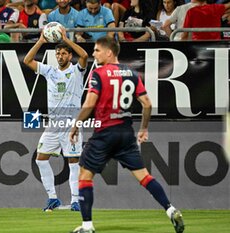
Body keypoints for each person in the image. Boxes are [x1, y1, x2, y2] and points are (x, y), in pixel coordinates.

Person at [69, 36, 185, 233]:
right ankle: (170, 209)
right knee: (144, 177)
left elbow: (89, 104)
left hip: (105, 132)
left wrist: (76, 125)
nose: (93, 54)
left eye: (97, 50)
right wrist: (144, 128)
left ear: (109, 53)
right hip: (126, 133)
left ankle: (87, 226)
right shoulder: (131, 73)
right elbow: (147, 104)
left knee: (84, 175)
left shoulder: (99, 73)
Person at [23, 27, 88, 212]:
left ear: (69, 56)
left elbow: (84, 55)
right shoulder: (50, 71)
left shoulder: (76, 71)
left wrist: (66, 39)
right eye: (58, 53)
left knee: (73, 162)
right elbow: (27, 60)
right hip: (53, 125)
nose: (60, 55)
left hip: (70, 124)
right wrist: (41, 41)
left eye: (64, 53)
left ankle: (76, 200)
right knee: (40, 159)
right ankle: (53, 198)